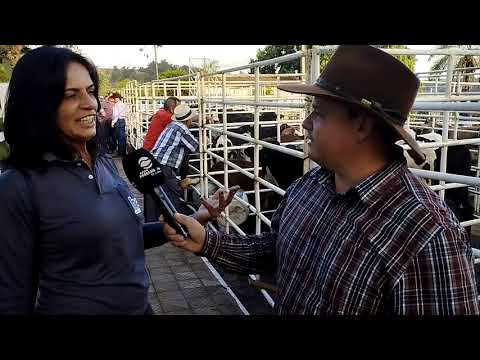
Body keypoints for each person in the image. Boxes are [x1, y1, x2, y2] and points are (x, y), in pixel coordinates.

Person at [163, 45, 479, 315]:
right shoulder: (308, 187)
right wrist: (208, 240)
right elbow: (275, 249)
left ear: (362, 125)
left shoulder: (428, 236)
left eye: (319, 113)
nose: (304, 123)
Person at [0, 46, 233, 314]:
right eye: (70, 95)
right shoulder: (17, 187)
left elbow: (121, 236)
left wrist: (196, 217)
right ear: (37, 106)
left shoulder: (102, 162)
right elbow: (11, 299)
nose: (91, 104)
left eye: (90, 91)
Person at [146, 104, 199, 221]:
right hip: (165, 167)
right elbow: (196, 146)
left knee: (153, 199)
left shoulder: (172, 125)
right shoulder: (182, 129)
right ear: (189, 119)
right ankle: (174, 227)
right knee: (172, 200)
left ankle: (150, 228)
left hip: (153, 164)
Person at [111, 92, 128, 156]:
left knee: (118, 137)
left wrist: (113, 123)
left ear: (116, 98)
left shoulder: (116, 105)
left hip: (118, 121)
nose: (114, 100)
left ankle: (120, 153)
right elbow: (126, 113)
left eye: (114, 98)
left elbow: (115, 115)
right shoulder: (124, 104)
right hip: (123, 120)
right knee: (122, 137)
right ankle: (123, 152)